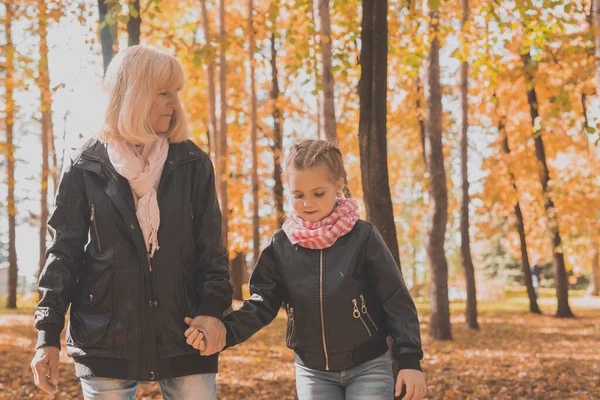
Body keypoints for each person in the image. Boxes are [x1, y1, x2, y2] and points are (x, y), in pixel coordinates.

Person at [30, 45, 232, 400]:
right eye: (164, 93)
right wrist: (47, 336)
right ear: (134, 94)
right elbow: (63, 253)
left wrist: (212, 312)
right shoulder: (85, 165)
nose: (175, 103)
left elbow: (212, 253)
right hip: (104, 338)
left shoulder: (193, 163)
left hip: (186, 335)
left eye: (176, 93)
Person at [186, 139, 426, 400]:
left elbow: (395, 299)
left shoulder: (363, 237)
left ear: (339, 186)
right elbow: (260, 304)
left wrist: (409, 360)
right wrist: (225, 332)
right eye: (298, 195)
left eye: (318, 193)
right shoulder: (281, 245)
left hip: (369, 366)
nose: (307, 203)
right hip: (313, 372)